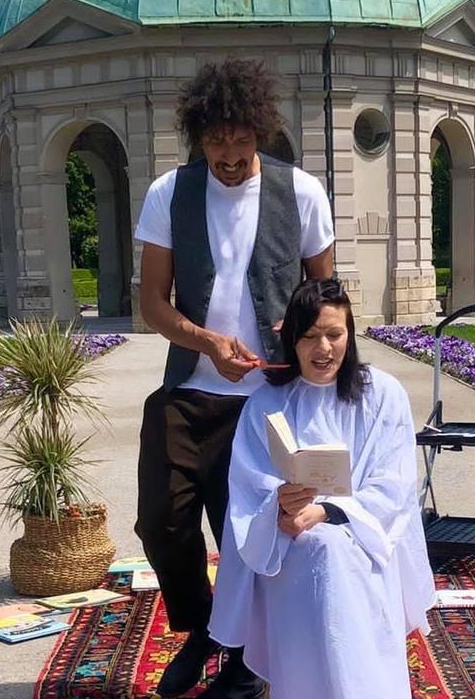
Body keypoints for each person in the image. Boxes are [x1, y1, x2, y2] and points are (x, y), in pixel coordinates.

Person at [133, 58, 335, 699]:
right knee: (161, 519)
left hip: (273, 396)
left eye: (239, 139)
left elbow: (324, 295)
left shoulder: (301, 192)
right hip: (191, 388)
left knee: (251, 526)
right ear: (199, 136)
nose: (226, 153)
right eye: (214, 140)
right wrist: (207, 343)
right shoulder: (170, 192)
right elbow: (154, 303)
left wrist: (306, 339)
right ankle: (202, 627)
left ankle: (247, 657)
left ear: (259, 131)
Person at [209, 279, 436, 699]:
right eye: (310, 336)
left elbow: (395, 483)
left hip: (363, 538)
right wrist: (279, 509)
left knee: (330, 550)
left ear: (350, 335)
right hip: (288, 541)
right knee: (315, 549)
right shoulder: (266, 404)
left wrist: (329, 512)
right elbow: (248, 486)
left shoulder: (382, 394)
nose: (324, 348)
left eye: (335, 334)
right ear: (292, 340)